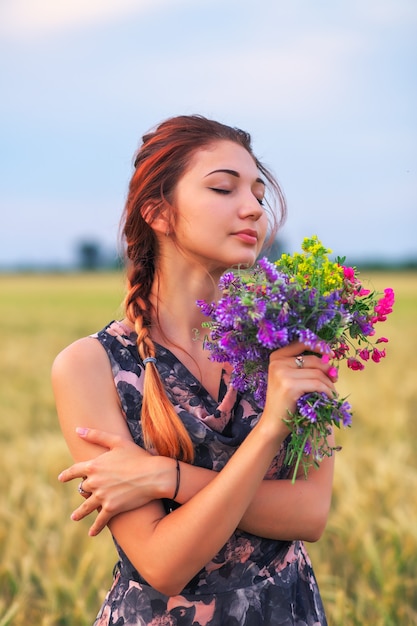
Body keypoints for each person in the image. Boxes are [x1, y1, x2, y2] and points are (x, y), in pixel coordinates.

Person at [53, 114, 337, 626]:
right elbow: (164, 563)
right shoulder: (91, 366)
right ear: (159, 214)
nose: (252, 208)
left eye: (257, 193)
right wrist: (271, 426)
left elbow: (309, 514)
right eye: (224, 189)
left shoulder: (290, 337)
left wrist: (167, 477)